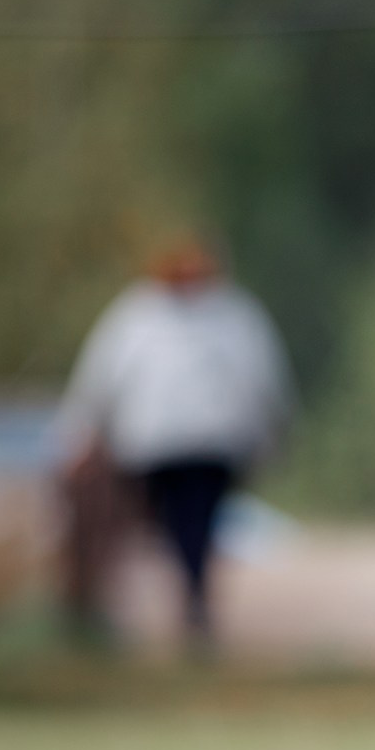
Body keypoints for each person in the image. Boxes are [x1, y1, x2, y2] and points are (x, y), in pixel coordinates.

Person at [57, 238, 290, 650]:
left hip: (212, 443)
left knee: (192, 520)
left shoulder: (232, 316)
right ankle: (191, 597)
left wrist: (272, 433)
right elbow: (98, 383)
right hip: (156, 444)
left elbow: (265, 381)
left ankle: (193, 596)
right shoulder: (140, 315)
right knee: (183, 523)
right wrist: (78, 433)